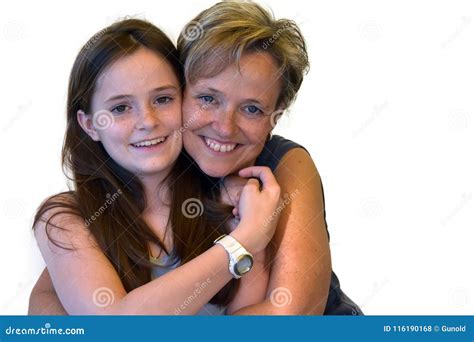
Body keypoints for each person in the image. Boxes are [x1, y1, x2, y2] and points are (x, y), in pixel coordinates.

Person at [30, 0, 362, 315]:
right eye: (207, 98)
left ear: (276, 116)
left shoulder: (260, 183)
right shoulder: (81, 214)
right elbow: (54, 300)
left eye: (251, 108)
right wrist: (243, 241)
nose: (224, 126)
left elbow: (288, 315)